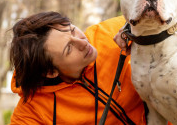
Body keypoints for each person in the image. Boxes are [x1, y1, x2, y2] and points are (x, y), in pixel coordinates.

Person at [9, 11, 145, 124]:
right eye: (68, 48)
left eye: (73, 31)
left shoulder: (112, 32)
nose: (82, 42)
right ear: (50, 72)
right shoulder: (32, 112)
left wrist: (146, 39)